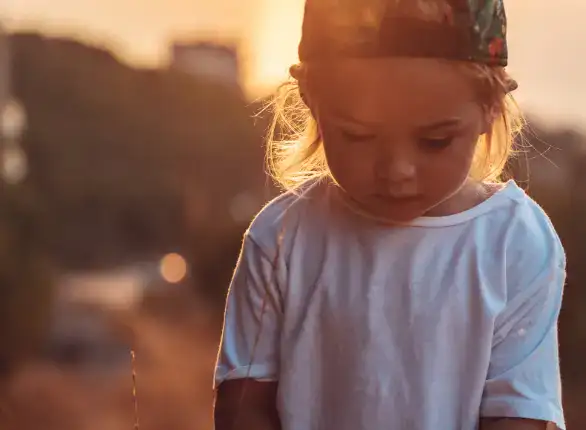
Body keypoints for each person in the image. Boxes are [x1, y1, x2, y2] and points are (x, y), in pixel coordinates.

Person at [212, 0, 567, 429]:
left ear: (491, 108)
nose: (398, 171)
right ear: (311, 100)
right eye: (359, 136)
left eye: (434, 141)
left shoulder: (516, 242)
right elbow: (243, 405)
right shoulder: (282, 237)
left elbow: (519, 415)